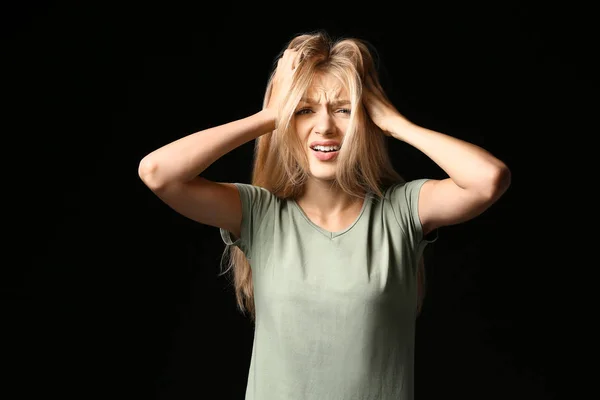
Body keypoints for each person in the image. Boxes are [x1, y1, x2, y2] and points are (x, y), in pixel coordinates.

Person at [138, 30, 511, 400]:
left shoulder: (401, 211)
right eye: (304, 110)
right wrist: (270, 115)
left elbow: (488, 179)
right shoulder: (260, 213)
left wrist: (396, 123)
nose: (325, 126)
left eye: (343, 109)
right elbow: (158, 172)